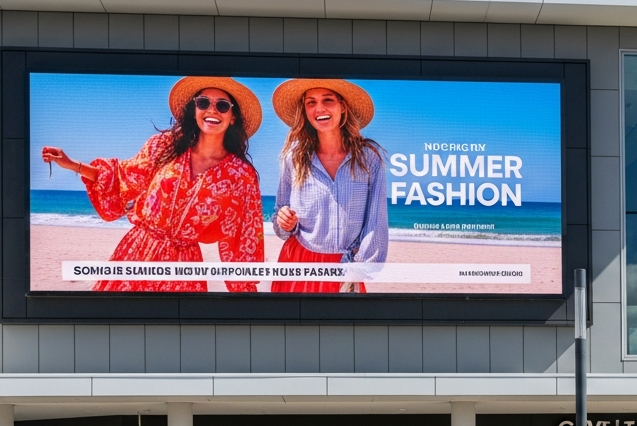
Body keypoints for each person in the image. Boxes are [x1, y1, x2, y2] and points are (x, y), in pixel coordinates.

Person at [41, 76, 265, 292]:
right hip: (137, 251)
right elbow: (120, 177)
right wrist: (72, 165)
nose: (212, 110)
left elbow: (244, 236)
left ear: (233, 116)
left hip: (184, 266)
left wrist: (244, 292)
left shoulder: (241, 175)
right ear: (194, 110)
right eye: (203, 102)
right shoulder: (164, 146)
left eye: (223, 105)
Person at [270, 78, 388, 293]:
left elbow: (376, 221)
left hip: (347, 266)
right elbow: (280, 216)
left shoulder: (368, 158)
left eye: (328, 100)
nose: (319, 108)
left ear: (342, 106)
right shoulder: (293, 158)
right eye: (311, 102)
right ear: (304, 110)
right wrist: (284, 221)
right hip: (298, 262)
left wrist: (360, 268)